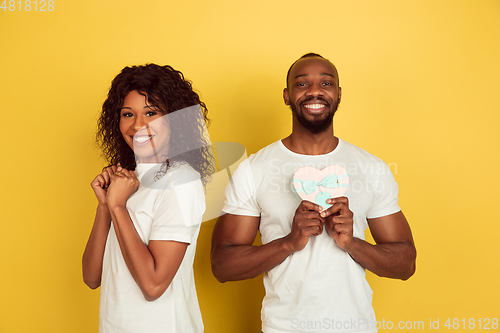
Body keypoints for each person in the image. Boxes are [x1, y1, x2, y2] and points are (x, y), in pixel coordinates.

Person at [211, 53, 416, 333]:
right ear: (287, 95)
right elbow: (222, 266)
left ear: (339, 94)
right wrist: (289, 242)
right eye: (303, 84)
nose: (315, 91)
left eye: (326, 83)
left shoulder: (372, 168)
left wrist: (352, 243)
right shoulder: (253, 170)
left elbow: (405, 264)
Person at [82, 63, 213, 333]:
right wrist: (105, 205)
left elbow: (153, 286)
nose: (138, 125)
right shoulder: (129, 182)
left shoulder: (179, 182)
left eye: (151, 113)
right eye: (128, 114)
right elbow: (92, 277)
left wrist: (118, 206)